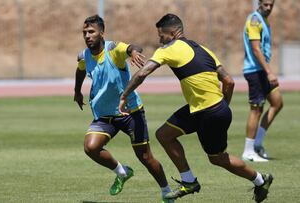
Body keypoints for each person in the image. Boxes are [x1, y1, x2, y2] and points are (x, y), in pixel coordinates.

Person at [119, 13, 273, 202]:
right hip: (206, 109)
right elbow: (229, 81)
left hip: (208, 112)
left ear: (173, 33)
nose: (160, 41)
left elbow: (142, 73)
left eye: (161, 36)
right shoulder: (204, 49)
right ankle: (189, 180)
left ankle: (260, 179)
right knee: (164, 135)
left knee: (218, 159)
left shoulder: (169, 49)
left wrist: (124, 96)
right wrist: (223, 107)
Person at [74, 15, 174, 203]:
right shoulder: (84, 56)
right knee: (91, 147)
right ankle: (122, 172)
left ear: (102, 33)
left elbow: (131, 47)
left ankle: (167, 192)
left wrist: (134, 53)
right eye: (85, 33)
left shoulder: (113, 49)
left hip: (130, 112)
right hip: (104, 115)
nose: (87, 36)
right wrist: (77, 91)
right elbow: (80, 69)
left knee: (145, 157)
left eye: (91, 32)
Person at [241, 0, 283, 162]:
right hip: (255, 71)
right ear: (259, 3)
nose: (269, 8)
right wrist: (269, 72)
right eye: (265, 4)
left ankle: (257, 144)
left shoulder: (264, 20)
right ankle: (248, 151)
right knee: (256, 109)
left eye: (271, 5)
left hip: (262, 72)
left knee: (277, 102)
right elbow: (256, 49)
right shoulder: (255, 20)